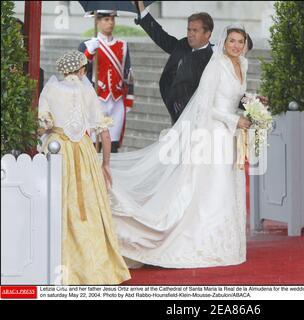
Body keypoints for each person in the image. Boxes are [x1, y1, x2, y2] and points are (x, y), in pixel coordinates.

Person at [108, 25, 252, 268]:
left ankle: (225, 242)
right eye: (231, 41)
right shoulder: (216, 66)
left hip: (230, 137)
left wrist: (253, 103)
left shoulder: (243, 65)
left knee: (227, 188)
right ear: (223, 43)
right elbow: (206, 107)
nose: (236, 46)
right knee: (212, 190)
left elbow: (235, 97)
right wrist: (233, 119)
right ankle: (203, 242)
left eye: (240, 41)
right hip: (213, 134)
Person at [37, 50, 131, 284]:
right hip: (84, 151)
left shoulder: (49, 88)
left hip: (56, 148)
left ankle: (53, 264)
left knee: (56, 202)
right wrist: (106, 164)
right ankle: (92, 268)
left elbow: (42, 125)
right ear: (81, 71)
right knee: (88, 207)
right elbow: (105, 134)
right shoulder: (86, 90)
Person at [134, 1, 214, 124]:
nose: (190, 34)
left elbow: (230, 87)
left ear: (207, 34)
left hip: (202, 121)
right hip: (177, 117)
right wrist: (141, 9)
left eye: (195, 30)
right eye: (189, 30)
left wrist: (251, 104)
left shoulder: (214, 57)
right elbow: (161, 37)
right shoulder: (183, 45)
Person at [78, 10, 134, 153]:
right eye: (106, 19)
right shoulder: (87, 45)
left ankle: (110, 174)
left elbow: (128, 74)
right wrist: (89, 52)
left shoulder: (123, 45)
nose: (110, 23)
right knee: (94, 145)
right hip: (96, 100)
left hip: (116, 100)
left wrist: (128, 100)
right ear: (97, 21)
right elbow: (79, 72)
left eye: (112, 19)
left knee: (113, 145)